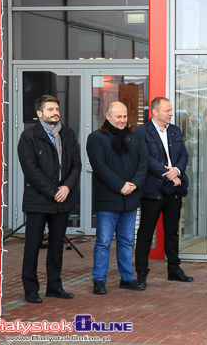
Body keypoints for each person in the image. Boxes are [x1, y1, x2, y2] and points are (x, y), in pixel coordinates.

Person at [17, 94, 82, 303]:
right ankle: (31, 289)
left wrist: (67, 187)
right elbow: (31, 170)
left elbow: (76, 165)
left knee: (56, 247)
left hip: (62, 200)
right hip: (38, 201)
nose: (55, 113)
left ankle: (54, 286)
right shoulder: (29, 137)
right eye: (50, 110)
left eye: (57, 109)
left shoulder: (68, 134)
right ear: (39, 113)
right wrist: (54, 190)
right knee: (33, 246)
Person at [86, 101, 148, 294]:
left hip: (130, 197)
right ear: (108, 116)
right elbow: (100, 166)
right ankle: (99, 280)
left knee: (126, 241)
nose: (122, 120)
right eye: (118, 116)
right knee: (103, 242)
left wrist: (134, 184)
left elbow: (143, 162)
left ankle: (127, 278)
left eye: (124, 116)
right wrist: (121, 185)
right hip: (108, 199)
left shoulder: (134, 136)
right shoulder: (96, 138)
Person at [134, 97, 193, 286]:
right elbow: (146, 158)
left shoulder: (175, 130)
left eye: (171, 110)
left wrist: (177, 171)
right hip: (153, 190)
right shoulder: (141, 132)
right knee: (146, 232)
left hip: (173, 189)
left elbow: (184, 154)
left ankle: (174, 269)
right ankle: (141, 273)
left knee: (172, 231)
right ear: (155, 112)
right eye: (167, 110)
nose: (171, 113)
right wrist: (169, 173)